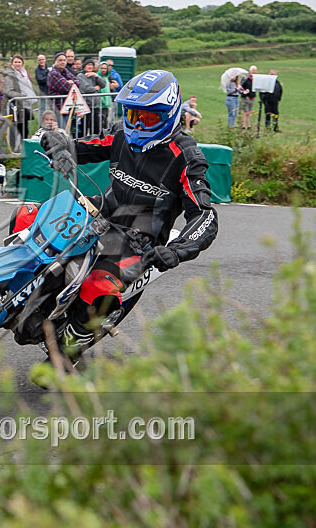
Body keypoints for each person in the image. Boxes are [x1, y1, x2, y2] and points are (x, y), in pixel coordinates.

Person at [20, 69, 217, 374]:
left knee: (99, 288)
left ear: (170, 114)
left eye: (148, 118)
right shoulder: (122, 133)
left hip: (138, 237)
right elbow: (84, 146)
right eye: (132, 114)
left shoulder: (187, 157)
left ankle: (68, 348)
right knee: (28, 216)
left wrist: (177, 249)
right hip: (102, 208)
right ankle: (11, 288)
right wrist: (59, 143)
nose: (137, 124)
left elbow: (205, 215)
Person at [3, 54, 37, 148]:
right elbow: (8, 90)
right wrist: (21, 96)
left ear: (22, 63)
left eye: (19, 62)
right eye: (15, 62)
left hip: (25, 105)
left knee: (24, 127)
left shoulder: (24, 73)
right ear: (12, 63)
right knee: (16, 127)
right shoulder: (9, 74)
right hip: (15, 105)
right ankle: (15, 148)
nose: (17, 64)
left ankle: (24, 147)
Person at [75, 58, 107, 136]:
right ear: (84, 66)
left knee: (96, 127)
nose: (90, 67)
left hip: (95, 106)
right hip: (86, 106)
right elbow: (85, 88)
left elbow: (103, 84)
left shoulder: (93, 76)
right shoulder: (80, 76)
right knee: (85, 127)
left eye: (92, 65)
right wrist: (95, 88)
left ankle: (95, 143)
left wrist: (96, 76)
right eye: (88, 65)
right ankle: (83, 143)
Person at [46, 53, 78, 128]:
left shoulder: (65, 71)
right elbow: (66, 87)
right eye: (60, 60)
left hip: (68, 106)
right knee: (62, 129)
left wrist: (71, 83)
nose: (63, 62)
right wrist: (70, 83)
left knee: (72, 130)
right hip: (58, 106)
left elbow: (78, 82)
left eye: (64, 60)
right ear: (55, 62)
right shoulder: (53, 73)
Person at [96, 61, 113, 131]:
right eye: (102, 68)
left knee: (106, 123)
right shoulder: (97, 77)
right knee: (100, 124)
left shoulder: (106, 77)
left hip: (106, 105)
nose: (103, 70)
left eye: (105, 68)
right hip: (99, 105)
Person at [240, 65, 257, 130]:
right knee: (245, 111)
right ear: (249, 71)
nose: (253, 73)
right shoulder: (245, 78)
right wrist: (244, 91)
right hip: (245, 97)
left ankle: (249, 125)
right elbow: (241, 86)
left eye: (255, 72)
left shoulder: (255, 79)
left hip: (252, 97)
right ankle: (243, 125)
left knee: (249, 112)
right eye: (252, 71)